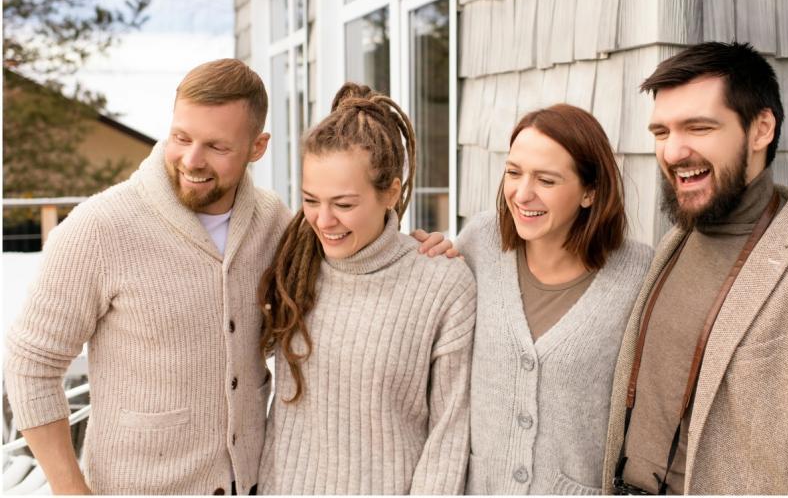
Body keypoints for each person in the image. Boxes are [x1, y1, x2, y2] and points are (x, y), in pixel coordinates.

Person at [3, 60, 452, 495]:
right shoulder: (99, 228)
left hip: (254, 485)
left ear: (257, 147)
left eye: (217, 147)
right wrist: (68, 489)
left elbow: (352, 240)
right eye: (181, 137)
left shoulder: (275, 223)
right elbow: (31, 364)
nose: (192, 160)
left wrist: (417, 249)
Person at [603, 42, 788, 495]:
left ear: (761, 130)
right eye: (661, 132)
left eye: (698, 127)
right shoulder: (671, 246)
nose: (673, 152)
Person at [257, 83, 476, 495]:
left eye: (344, 204)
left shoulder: (442, 284)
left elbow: (449, 433)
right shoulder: (291, 265)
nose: (323, 221)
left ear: (391, 192)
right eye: (310, 200)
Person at [455, 104, 652, 494]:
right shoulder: (479, 243)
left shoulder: (638, 273)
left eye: (546, 180)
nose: (522, 193)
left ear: (589, 192)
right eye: (513, 173)